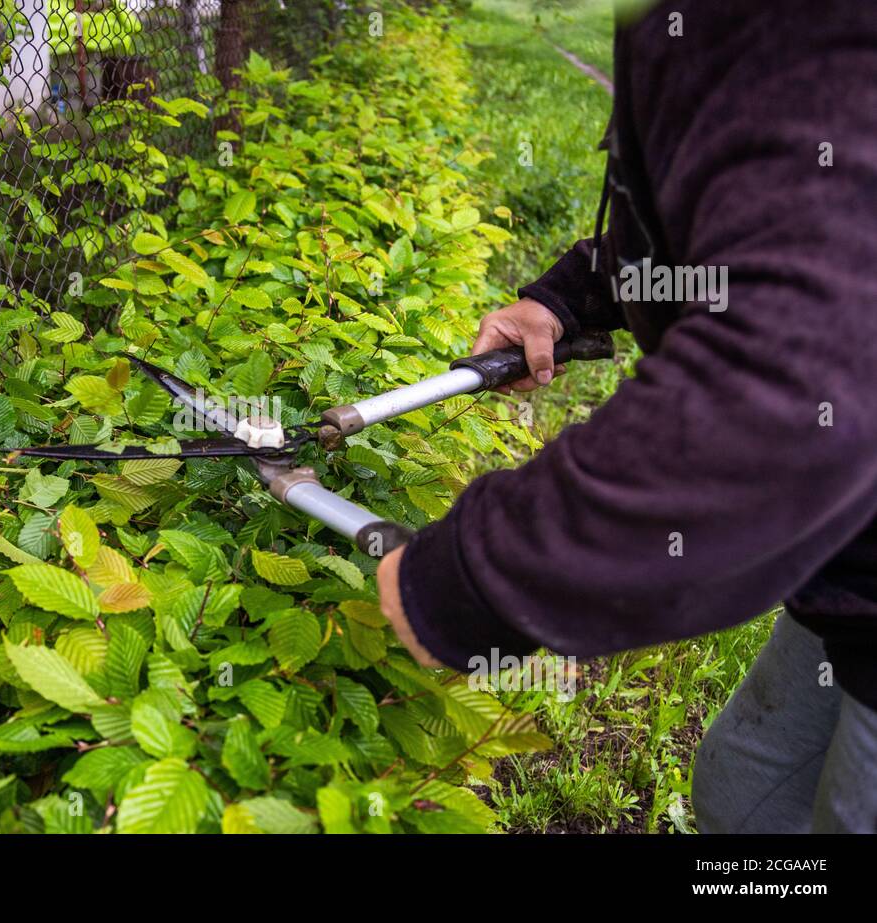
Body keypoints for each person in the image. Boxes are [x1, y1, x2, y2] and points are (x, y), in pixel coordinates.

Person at [375, 0, 877, 834]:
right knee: (741, 794)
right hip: (852, 572)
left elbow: (786, 396)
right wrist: (564, 300)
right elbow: (753, 233)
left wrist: (471, 579)